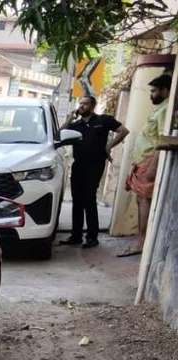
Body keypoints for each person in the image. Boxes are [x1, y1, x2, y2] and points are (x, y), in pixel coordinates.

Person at [60, 95, 129, 249]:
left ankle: (92, 237)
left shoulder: (103, 120)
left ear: (92, 106)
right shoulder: (76, 125)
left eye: (85, 104)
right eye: (80, 103)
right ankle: (76, 236)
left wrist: (109, 145)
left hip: (95, 165)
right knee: (77, 200)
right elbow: (59, 135)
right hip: (78, 165)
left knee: (89, 198)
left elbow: (124, 131)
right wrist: (69, 119)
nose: (81, 106)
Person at [121, 73, 172, 258]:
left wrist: (151, 169)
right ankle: (141, 240)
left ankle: (142, 242)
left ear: (165, 90)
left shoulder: (165, 110)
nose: (151, 95)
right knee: (140, 200)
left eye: (154, 91)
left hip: (149, 162)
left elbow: (161, 140)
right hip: (142, 162)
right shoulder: (160, 109)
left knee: (144, 201)